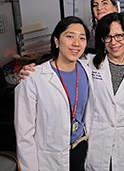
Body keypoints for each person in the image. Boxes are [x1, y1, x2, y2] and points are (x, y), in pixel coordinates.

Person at [14, 16, 95, 171]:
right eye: (70, 36)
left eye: (82, 38)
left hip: (81, 149)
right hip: (50, 157)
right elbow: (24, 134)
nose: (76, 43)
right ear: (57, 41)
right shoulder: (33, 78)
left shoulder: (88, 70)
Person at [84, 12, 124, 171]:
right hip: (97, 140)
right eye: (107, 37)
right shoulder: (90, 63)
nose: (113, 42)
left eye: (119, 36)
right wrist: (31, 68)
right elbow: (61, 63)